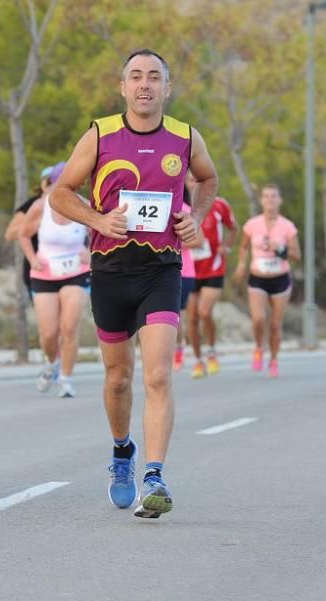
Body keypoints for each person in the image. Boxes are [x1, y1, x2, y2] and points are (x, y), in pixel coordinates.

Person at [50, 49, 218, 519]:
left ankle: (155, 474)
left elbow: (208, 179)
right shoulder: (100, 134)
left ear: (168, 88)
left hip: (162, 269)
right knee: (119, 377)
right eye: (136, 77)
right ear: (122, 87)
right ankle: (123, 452)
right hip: (109, 271)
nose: (145, 85)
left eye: (154, 77)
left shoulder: (186, 137)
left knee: (159, 373)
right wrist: (98, 219)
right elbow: (60, 193)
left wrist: (195, 219)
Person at [18, 161, 91, 398]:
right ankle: (52, 362)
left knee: (69, 327)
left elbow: (102, 234)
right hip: (45, 273)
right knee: (49, 333)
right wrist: (32, 258)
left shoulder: (85, 206)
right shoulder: (40, 206)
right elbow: (24, 234)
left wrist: (90, 253)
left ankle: (66, 379)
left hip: (76, 272)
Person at [233, 184, 300, 379]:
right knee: (259, 319)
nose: (270, 200)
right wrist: (241, 265)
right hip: (258, 278)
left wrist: (280, 248)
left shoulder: (287, 226)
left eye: (274, 196)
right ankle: (258, 347)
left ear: (280, 200)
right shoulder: (252, 224)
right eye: (266, 196)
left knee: (275, 325)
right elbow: (244, 247)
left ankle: (274, 360)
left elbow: (297, 255)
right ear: (261, 200)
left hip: (280, 279)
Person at [187, 181, 237, 378]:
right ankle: (198, 360)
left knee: (205, 312)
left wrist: (227, 247)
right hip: (190, 268)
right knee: (191, 318)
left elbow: (233, 228)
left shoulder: (219, 205)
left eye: (196, 181)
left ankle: (212, 350)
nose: (193, 185)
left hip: (214, 266)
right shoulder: (180, 206)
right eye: (189, 181)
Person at [4, 166, 53, 298]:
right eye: (48, 180)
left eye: (55, 180)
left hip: (70, 270)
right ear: (42, 183)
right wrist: (36, 223)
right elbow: (9, 234)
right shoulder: (32, 205)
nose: (51, 184)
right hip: (38, 268)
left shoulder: (70, 201)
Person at [173, 180, 202, 374]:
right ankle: (170, 349)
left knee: (176, 317)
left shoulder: (185, 209)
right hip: (155, 269)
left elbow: (199, 240)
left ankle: (178, 350)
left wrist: (170, 243)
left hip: (184, 271)